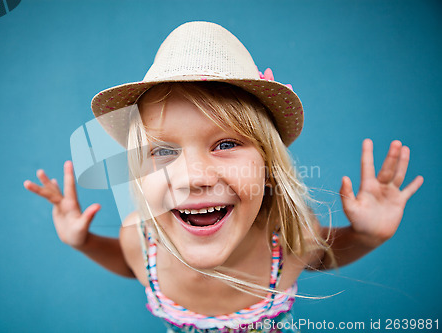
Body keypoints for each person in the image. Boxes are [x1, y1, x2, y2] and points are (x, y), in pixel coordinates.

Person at [23, 22, 423, 333]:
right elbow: (131, 265)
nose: (194, 177)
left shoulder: (288, 236)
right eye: (163, 151)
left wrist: (367, 235)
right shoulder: (139, 240)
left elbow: (318, 255)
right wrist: (85, 242)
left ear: (268, 167)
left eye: (226, 144)